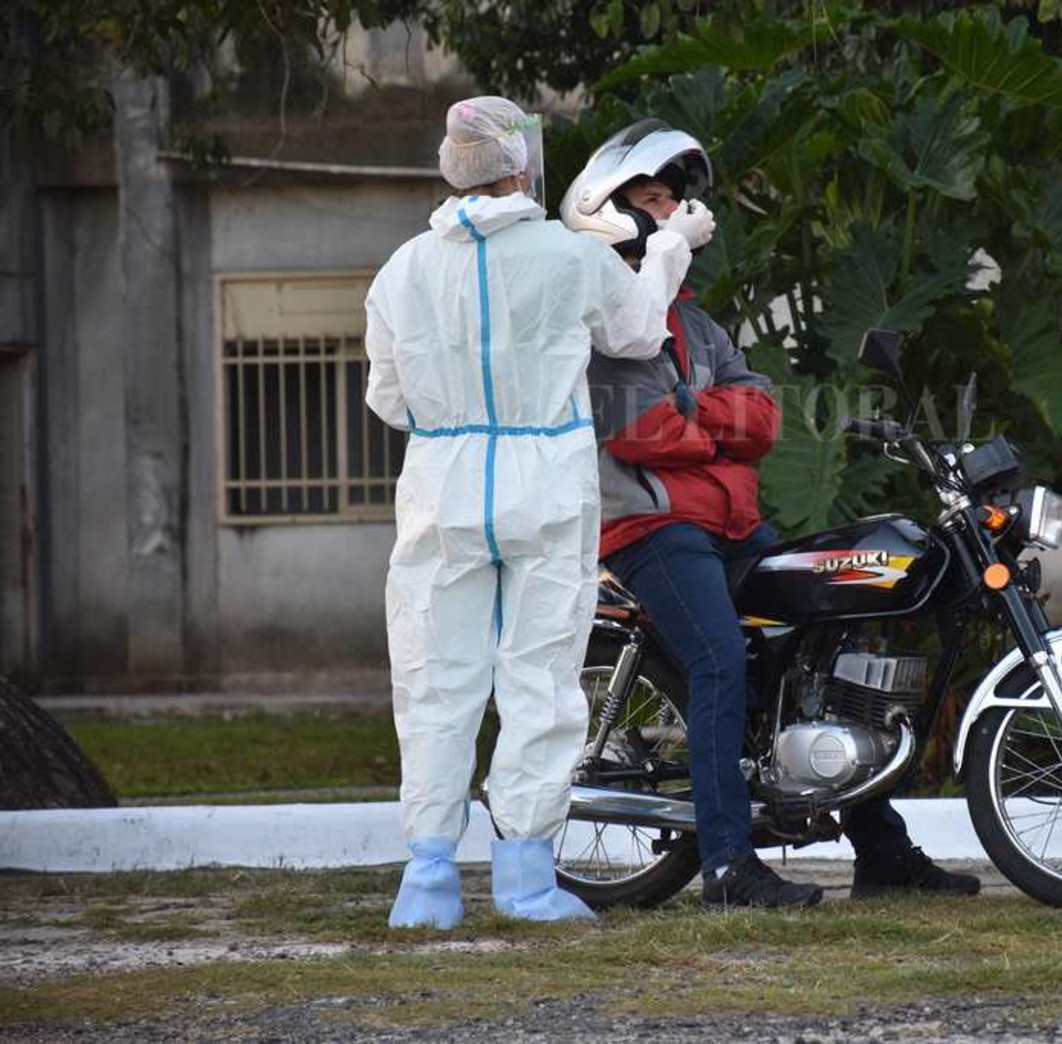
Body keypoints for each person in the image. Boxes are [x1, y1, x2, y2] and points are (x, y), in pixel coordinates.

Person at [561, 120, 981, 909]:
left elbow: (763, 415)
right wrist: (708, 416)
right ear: (612, 212)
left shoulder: (695, 322)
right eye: (651, 200)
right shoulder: (606, 323)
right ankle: (725, 866)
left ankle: (881, 855)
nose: (670, 214)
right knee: (720, 659)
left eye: (673, 200)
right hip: (652, 531)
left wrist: (699, 412)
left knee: (815, 647)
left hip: (726, 525)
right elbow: (639, 431)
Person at [364, 98, 716, 929]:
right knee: (540, 677)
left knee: (433, 680)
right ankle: (525, 877)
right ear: (523, 168)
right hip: (546, 478)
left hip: (442, 482)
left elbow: (387, 399)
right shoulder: (566, 256)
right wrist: (666, 247)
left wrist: (455, 424)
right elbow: (634, 334)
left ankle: (428, 881)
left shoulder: (402, 269)